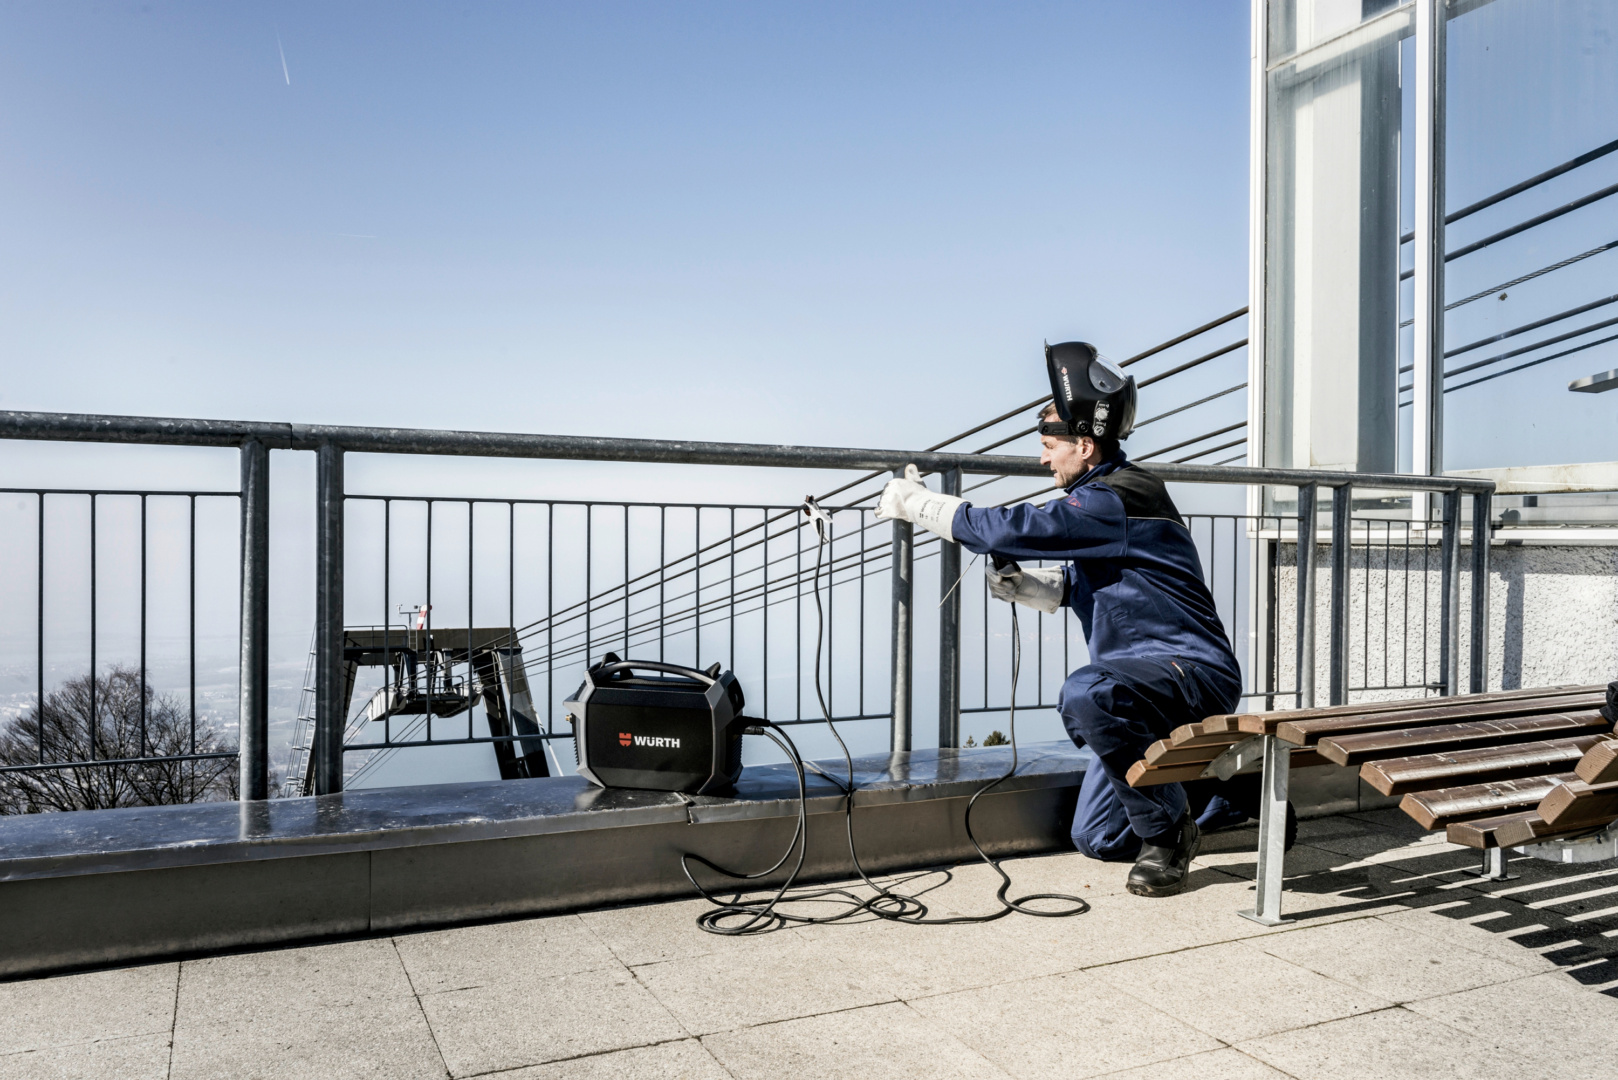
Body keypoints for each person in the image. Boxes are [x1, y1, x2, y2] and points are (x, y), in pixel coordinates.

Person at [877, 341, 1277, 897]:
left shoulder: (1118, 496)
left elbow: (1015, 528)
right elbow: (1106, 585)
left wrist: (919, 504)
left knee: (1086, 694)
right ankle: (1231, 798)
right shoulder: (1105, 499)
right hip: (1143, 683)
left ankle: (1171, 834)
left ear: (1084, 445)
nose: (1043, 460)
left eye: (1049, 447)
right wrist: (1032, 588)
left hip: (1191, 673)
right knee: (1097, 838)